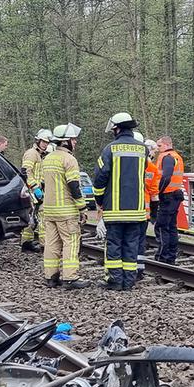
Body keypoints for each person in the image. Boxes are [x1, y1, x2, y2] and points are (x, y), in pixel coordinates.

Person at [93, 113, 148, 290]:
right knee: (132, 246)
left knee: (114, 246)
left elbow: (101, 177)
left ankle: (116, 281)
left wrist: (99, 199)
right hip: (137, 210)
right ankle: (129, 281)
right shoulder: (143, 149)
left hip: (115, 210)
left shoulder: (110, 149)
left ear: (117, 128)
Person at [40, 123, 89, 289]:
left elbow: (43, 184)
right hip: (66, 211)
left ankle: (51, 277)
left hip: (49, 210)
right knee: (71, 242)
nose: (75, 142)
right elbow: (74, 185)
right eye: (73, 140)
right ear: (66, 141)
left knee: (52, 244)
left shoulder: (47, 158)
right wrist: (82, 208)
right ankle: (70, 278)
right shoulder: (69, 159)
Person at [153, 136, 185, 263]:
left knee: (161, 226)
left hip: (167, 196)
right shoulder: (176, 156)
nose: (158, 148)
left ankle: (163, 256)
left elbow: (166, 176)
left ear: (166, 145)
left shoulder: (167, 157)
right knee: (172, 226)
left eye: (159, 146)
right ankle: (171, 256)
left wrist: (158, 191)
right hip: (175, 195)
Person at [20, 129, 52, 252]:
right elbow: (26, 172)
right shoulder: (32, 153)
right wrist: (35, 188)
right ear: (38, 141)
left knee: (32, 217)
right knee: (42, 216)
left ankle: (27, 243)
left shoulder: (40, 155)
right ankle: (44, 245)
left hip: (36, 190)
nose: (45, 144)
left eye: (47, 142)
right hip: (32, 190)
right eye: (43, 142)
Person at [139, 136, 160, 279]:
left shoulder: (129, 164)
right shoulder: (152, 168)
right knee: (140, 241)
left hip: (126, 209)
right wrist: (154, 213)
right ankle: (138, 270)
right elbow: (154, 194)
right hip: (144, 213)